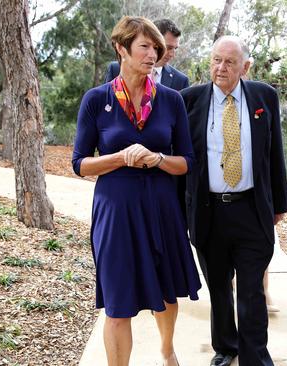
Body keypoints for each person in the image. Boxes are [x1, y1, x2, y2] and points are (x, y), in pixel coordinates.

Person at [72, 16, 201, 366]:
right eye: (144, 46)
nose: (153, 54)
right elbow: (80, 163)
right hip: (116, 211)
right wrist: (118, 158)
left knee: (167, 289)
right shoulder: (96, 100)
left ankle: (166, 348)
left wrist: (157, 158)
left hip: (161, 208)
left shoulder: (171, 100)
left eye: (156, 48)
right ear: (121, 48)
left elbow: (187, 161)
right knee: (117, 303)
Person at [178, 35, 287, 366]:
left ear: (245, 66)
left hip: (251, 210)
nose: (220, 68)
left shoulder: (264, 97)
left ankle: (256, 357)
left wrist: (279, 204)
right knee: (220, 288)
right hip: (209, 211)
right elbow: (180, 160)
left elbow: (274, 153)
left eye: (228, 62)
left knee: (252, 291)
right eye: (215, 60)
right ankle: (226, 347)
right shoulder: (190, 100)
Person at [104, 18, 190, 90]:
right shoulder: (115, 69)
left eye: (175, 48)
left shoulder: (180, 81)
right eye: (168, 47)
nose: (172, 54)